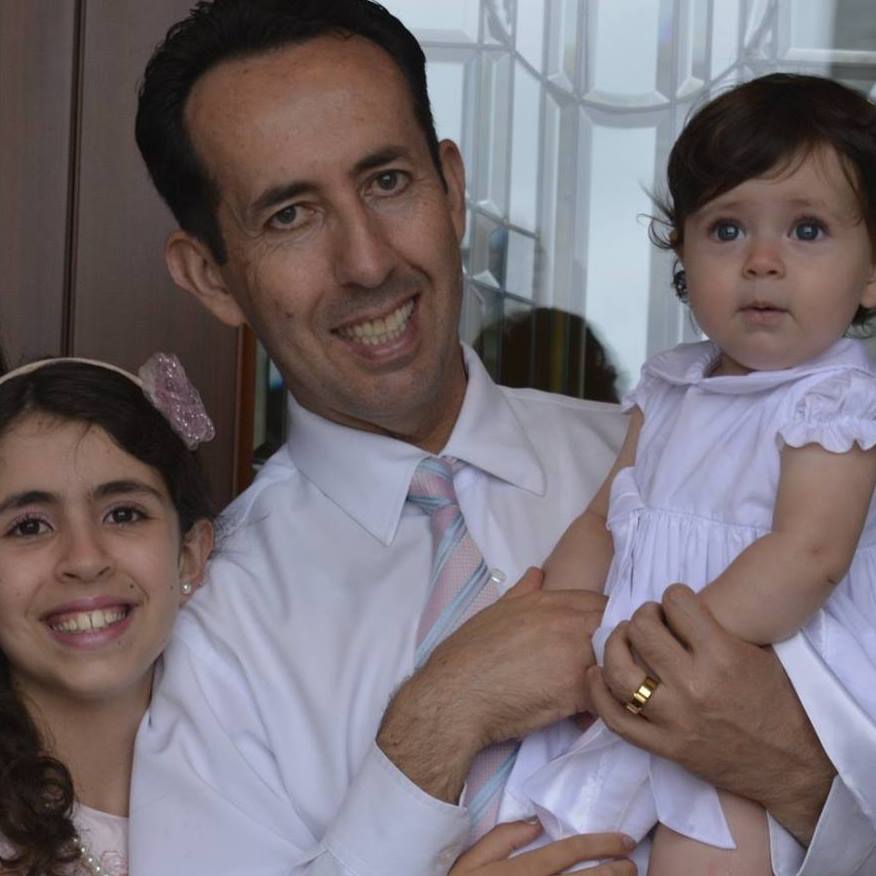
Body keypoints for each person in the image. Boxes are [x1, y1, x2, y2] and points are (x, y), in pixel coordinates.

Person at [129, 2, 871, 874]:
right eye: (290, 215)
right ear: (211, 276)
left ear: (451, 188)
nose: (368, 261)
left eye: (387, 181)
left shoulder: (694, 473)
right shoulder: (214, 634)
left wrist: (792, 772)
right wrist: (435, 722)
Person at [502, 73, 876, 874]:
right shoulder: (671, 387)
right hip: (642, 668)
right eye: (727, 230)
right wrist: (566, 623)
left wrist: (668, 647)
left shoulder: (834, 400)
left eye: (807, 230)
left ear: (873, 271)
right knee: (567, 837)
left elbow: (809, 555)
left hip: (762, 676)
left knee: (707, 848)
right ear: (682, 254)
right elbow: (604, 518)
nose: (763, 262)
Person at [0, 355, 214, 875]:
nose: (85, 559)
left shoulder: (275, 781)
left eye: (123, 514)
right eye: (29, 526)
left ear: (189, 556)